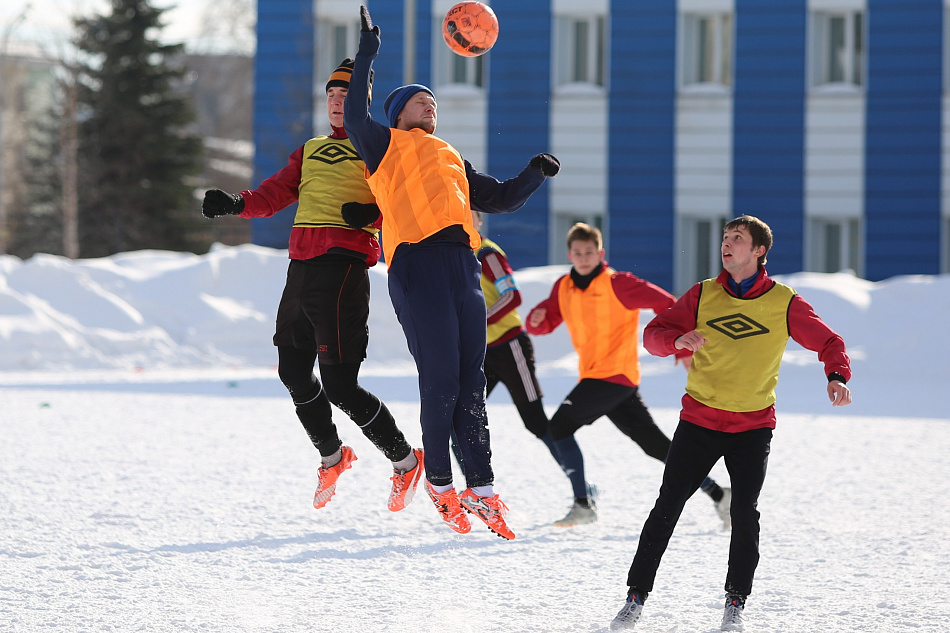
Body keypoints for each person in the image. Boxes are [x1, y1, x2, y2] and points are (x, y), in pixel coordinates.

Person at [343, 5, 559, 540]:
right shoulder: (385, 145)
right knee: (440, 379)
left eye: (434, 102)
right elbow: (352, 115)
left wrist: (534, 174)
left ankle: (481, 490)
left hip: (462, 268)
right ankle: (440, 482)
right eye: (420, 100)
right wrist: (368, 52)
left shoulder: (451, 157)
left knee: (471, 383)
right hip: (416, 265)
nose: (430, 106)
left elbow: (502, 199)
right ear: (396, 113)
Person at [200, 59, 423, 514]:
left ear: (362, 100)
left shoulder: (379, 144)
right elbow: (274, 193)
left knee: (340, 385)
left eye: (348, 95)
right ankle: (333, 456)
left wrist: (372, 218)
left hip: (342, 267)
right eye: (332, 95)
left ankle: (405, 460)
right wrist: (235, 202)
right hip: (300, 268)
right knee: (293, 372)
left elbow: (401, 200)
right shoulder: (311, 149)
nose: (339, 101)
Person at [610, 215, 852, 632]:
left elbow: (830, 341)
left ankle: (734, 605)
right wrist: (675, 340)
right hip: (699, 421)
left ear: (759, 251)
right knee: (666, 508)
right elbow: (653, 334)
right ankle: (634, 599)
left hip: (752, 427)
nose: (727, 244)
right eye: (725, 237)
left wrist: (836, 375)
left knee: (744, 513)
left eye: (737, 238)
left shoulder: (784, 302)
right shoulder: (703, 294)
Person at [526, 223, 730, 528]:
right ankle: (719, 495)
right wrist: (536, 320)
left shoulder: (618, 284)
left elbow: (666, 303)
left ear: (601, 253)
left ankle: (583, 503)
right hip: (601, 380)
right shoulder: (564, 286)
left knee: (558, 429)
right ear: (569, 254)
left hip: (613, 376)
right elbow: (546, 320)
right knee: (658, 447)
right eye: (578, 253)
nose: (583, 258)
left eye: (589, 252)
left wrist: (681, 345)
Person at [450, 210, 586, 521]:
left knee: (537, 424)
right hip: (479, 351)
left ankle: (582, 493)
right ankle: (474, 492)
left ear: (480, 222)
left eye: (470, 215)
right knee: (456, 421)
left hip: (510, 348)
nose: (463, 220)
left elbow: (512, 296)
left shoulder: (486, 253)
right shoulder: (453, 253)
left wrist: (476, 323)